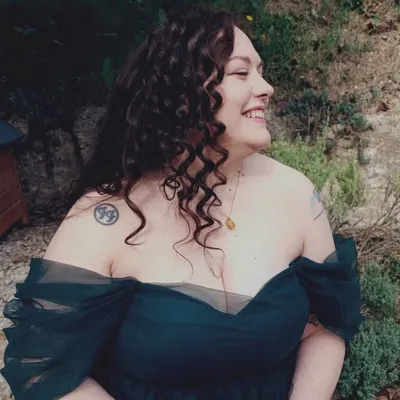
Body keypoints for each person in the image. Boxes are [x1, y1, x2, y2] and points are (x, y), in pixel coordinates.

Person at [1, 5, 363, 400]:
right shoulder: (108, 218)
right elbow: (44, 368)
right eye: (241, 73)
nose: (267, 87)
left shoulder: (294, 193)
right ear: (183, 94)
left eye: (261, 71)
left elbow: (328, 324)